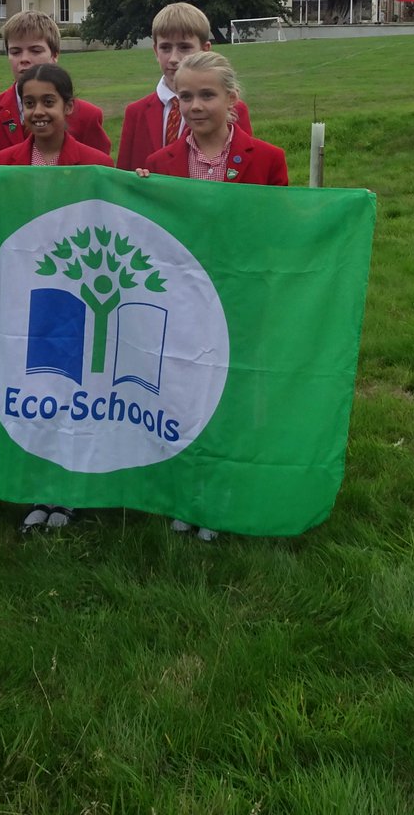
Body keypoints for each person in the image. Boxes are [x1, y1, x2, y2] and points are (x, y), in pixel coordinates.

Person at [140, 51, 288, 540]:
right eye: (186, 96)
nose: (196, 105)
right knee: (184, 393)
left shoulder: (266, 158)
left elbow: (275, 231)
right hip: (183, 304)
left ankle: (229, 491)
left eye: (207, 95)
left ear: (232, 99)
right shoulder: (159, 164)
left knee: (234, 394)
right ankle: (190, 489)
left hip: (240, 300)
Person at [0, 62, 114, 529]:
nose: (38, 111)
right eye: (29, 103)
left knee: (73, 390)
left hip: (77, 299)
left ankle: (70, 489)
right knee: (33, 390)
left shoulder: (97, 165)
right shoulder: (1, 165)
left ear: (69, 106)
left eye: (48, 102)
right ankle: (38, 484)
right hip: (24, 298)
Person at [0, 10, 110, 170]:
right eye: (15, 52)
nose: (24, 59)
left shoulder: (87, 116)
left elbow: (100, 176)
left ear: (55, 55)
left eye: (35, 51)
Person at [116, 2, 252, 171]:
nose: (174, 58)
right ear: (155, 51)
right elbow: (124, 175)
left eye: (184, 47)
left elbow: (245, 166)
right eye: (165, 48)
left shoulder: (231, 108)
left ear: (205, 50)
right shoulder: (136, 112)